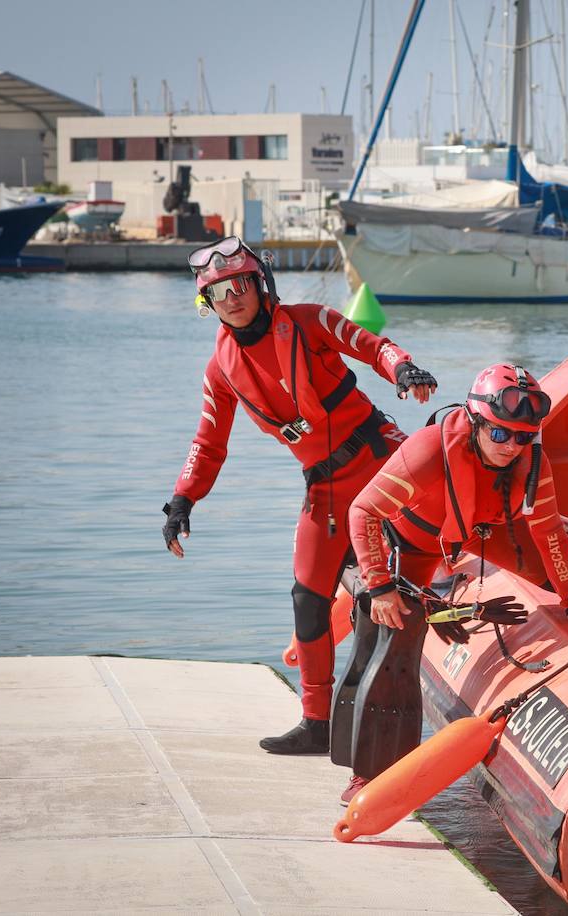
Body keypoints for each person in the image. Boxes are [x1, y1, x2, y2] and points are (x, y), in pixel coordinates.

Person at [162, 236, 438, 755]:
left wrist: (403, 369)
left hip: (380, 459)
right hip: (325, 486)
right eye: (219, 292)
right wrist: (182, 501)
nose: (234, 298)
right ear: (208, 305)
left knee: (433, 544)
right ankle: (316, 724)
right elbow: (208, 442)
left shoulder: (309, 321)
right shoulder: (219, 370)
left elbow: (371, 345)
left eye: (240, 283)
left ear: (260, 284)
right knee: (307, 600)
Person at [342, 363, 568, 800]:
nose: (511, 447)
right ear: (474, 423)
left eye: (523, 437)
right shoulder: (429, 452)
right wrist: (380, 586)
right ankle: (370, 776)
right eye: (500, 434)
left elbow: (546, 533)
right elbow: (363, 511)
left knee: (558, 551)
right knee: (395, 648)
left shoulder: (529, 460)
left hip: (488, 528)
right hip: (418, 544)